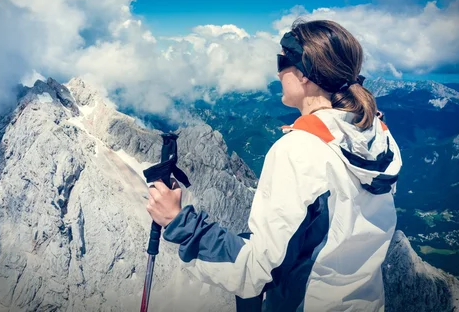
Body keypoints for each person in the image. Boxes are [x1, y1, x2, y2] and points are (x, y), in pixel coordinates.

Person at [146, 19, 403, 312]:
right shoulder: (376, 137)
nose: (277, 71)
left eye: (281, 61)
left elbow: (255, 271)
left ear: (304, 73)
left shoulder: (300, 151)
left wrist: (179, 221)